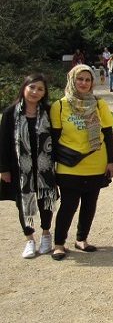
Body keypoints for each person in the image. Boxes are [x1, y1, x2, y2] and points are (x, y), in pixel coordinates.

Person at [49, 65, 113, 260]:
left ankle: (81, 239)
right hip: (70, 165)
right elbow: (54, 139)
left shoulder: (99, 104)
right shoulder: (59, 105)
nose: (84, 83)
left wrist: (111, 161)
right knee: (68, 205)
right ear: (72, 80)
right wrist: (52, 167)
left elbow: (108, 133)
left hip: (96, 162)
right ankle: (59, 243)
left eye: (88, 80)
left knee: (90, 204)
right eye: (80, 79)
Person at [0, 73, 58, 259]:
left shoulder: (49, 112)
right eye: (32, 87)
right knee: (23, 204)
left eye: (40, 89)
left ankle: (46, 234)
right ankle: (30, 239)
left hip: (45, 168)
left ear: (44, 93)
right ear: (24, 88)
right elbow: (3, 143)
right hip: (20, 169)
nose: (35, 91)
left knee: (46, 202)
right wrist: (3, 168)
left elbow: (57, 140)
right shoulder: (10, 113)